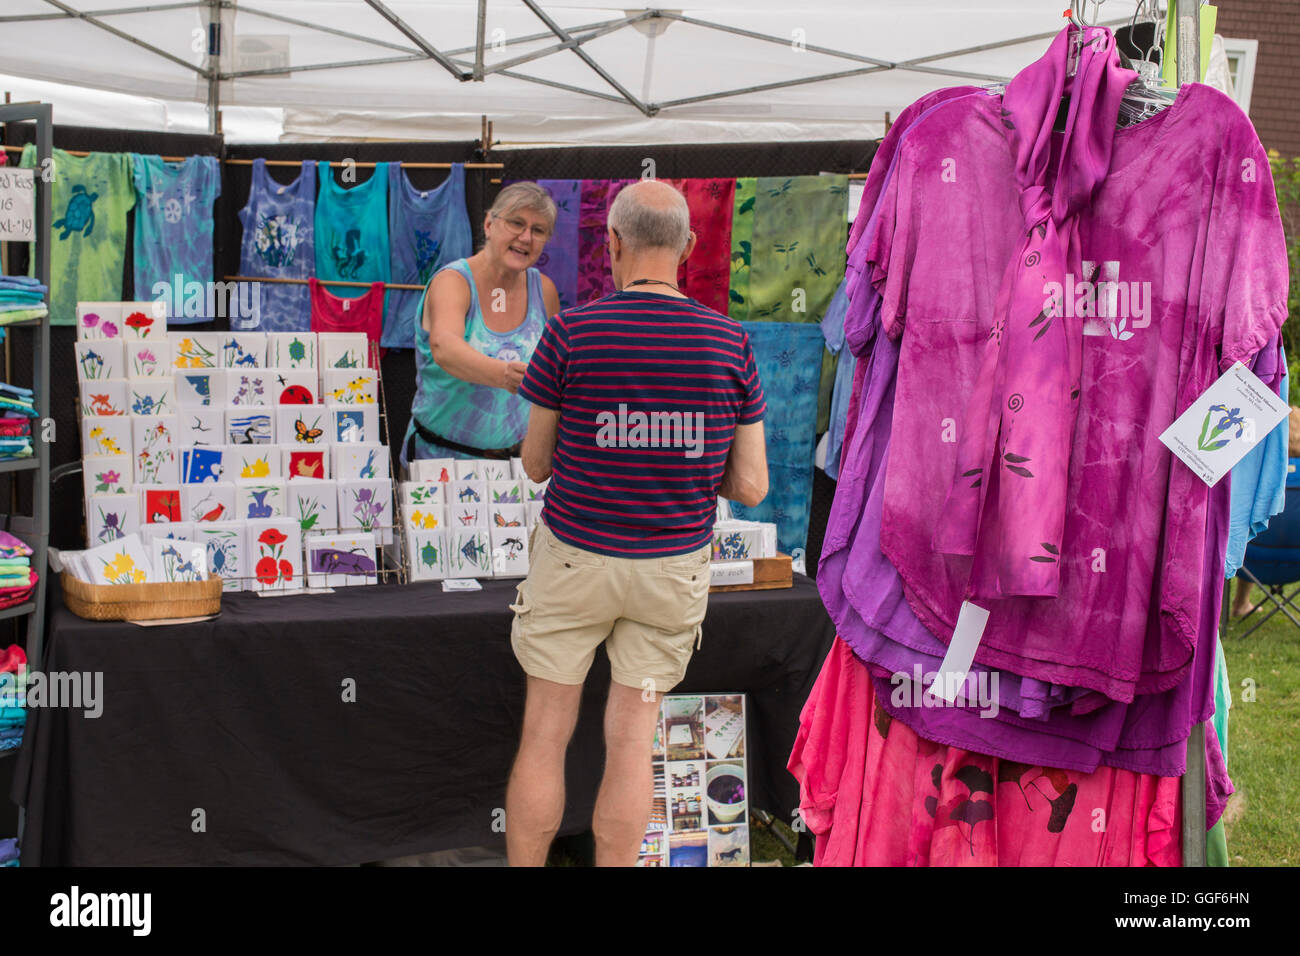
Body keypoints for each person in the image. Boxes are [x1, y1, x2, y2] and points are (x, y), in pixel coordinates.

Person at [504, 180, 770, 866]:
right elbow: (751, 484)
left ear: (613, 243)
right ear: (687, 247)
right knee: (633, 742)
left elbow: (534, 464)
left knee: (544, 736)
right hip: (669, 575)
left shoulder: (570, 333)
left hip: (574, 564)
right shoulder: (731, 344)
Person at [400, 182, 561, 467]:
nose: (525, 237)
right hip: (439, 463)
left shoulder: (543, 290)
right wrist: (506, 375)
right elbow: (444, 346)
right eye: (516, 223)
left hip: (514, 470)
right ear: (489, 224)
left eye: (538, 230)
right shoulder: (453, 281)